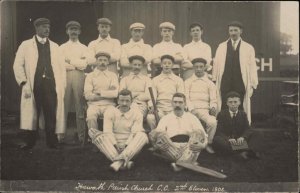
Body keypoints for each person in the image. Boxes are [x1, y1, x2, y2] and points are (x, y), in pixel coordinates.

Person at [13, 18, 66, 149]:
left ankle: (52, 142)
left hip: (50, 85)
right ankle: (30, 142)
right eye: (43, 26)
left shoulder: (55, 46)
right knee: (32, 113)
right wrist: (24, 82)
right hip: (33, 84)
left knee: (51, 112)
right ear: (36, 28)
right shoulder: (25, 45)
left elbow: (61, 68)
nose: (47, 29)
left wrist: (61, 85)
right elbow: (17, 65)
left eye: (48, 27)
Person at [88, 89, 148, 171]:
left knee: (142, 135)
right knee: (98, 135)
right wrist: (115, 145)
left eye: (127, 101)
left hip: (131, 147)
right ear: (118, 101)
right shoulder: (110, 111)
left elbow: (134, 133)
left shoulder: (137, 113)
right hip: (112, 146)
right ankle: (124, 162)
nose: (124, 103)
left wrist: (126, 146)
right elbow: (108, 132)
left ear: (131, 101)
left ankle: (118, 162)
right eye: (122, 100)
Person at [212, 21, 258, 123]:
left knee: (240, 108)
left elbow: (252, 67)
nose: (233, 33)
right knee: (224, 107)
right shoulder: (222, 46)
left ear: (241, 31)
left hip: (240, 84)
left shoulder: (248, 48)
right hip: (225, 83)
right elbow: (216, 63)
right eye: (231, 30)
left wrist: (253, 84)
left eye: (235, 30)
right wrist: (214, 79)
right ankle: (224, 133)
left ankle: (240, 134)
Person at [149, 93, 208, 171]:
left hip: (189, 147)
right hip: (171, 148)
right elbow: (156, 136)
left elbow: (204, 135)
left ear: (185, 104)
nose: (177, 105)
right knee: (160, 134)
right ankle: (189, 161)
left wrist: (203, 145)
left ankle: (179, 165)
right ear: (172, 103)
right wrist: (157, 146)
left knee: (198, 132)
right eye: (175, 102)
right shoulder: (165, 118)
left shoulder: (192, 117)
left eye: (180, 102)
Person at [60, 21, 89, 144]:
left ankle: (81, 136)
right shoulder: (62, 47)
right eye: (71, 29)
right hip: (65, 77)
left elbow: (83, 66)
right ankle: (60, 136)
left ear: (79, 31)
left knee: (80, 106)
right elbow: (60, 64)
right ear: (67, 31)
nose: (73, 32)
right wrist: (75, 64)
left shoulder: (84, 48)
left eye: (76, 29)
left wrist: (69, 60)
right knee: (63, 106)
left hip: (79, 77)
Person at [212, 91, 262, 160]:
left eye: (235, 102)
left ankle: (237, 152)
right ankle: (244, 151)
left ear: (239, 103)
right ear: (227, 103)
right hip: (228, 141)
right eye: (230, 102)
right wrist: (228, 139)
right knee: (217, 140)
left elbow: (247, 129)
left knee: (257, 133)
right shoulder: (222, 114)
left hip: (239, 140)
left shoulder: (243, 114)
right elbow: (219, 131)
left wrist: (243, 137)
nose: (233, 104)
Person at [185, 58, 217, 154]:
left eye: (201, 67)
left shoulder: (210, 83)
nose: (198, 69)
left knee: (212, 122)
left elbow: (213, 99)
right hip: (191, 110)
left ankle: (208, 144)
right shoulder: (188, 82)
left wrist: (213, 107)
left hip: (204, 110)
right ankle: (191, 145)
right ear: (193, 68)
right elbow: (186, 98)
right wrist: (192, 109)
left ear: (204, 68)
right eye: (196, 67)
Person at [146, 55, 184, 130]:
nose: (166, 65)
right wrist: (152, 106)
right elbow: (152, 96)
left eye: (169, 63)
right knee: (150, 118)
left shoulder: (178, 80)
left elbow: (181, 96)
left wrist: (177, 107)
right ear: (161, 65)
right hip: (159, 108)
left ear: (172, 65)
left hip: (173, 108)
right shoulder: (155, 80)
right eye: (164, 63)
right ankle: (155, 137)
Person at [84, 51, 119, 131]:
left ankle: (108, 137)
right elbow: (88, 96)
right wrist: (107, 92)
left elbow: (115, 94)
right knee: (90, 117)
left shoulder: (113, 76)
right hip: (93, 105)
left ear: (108, 62)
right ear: (96, 62)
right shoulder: (90, 76)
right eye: (100, 60)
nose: (102, 62)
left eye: (105, 60)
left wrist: (98, 93)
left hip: (109, 105)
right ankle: (95, 138)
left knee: (109, 116)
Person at [119, 55, 152, 120]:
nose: (137, 67)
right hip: (125, 104)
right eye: (135, 64)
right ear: (131, 65)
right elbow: (121, 93)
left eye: (139, 65)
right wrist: (138, 93)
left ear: (142, 66)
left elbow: (148, 95)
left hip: (141, 105)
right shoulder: (125, 79)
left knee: (135, 115)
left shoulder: (147, 79)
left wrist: (131, 95)